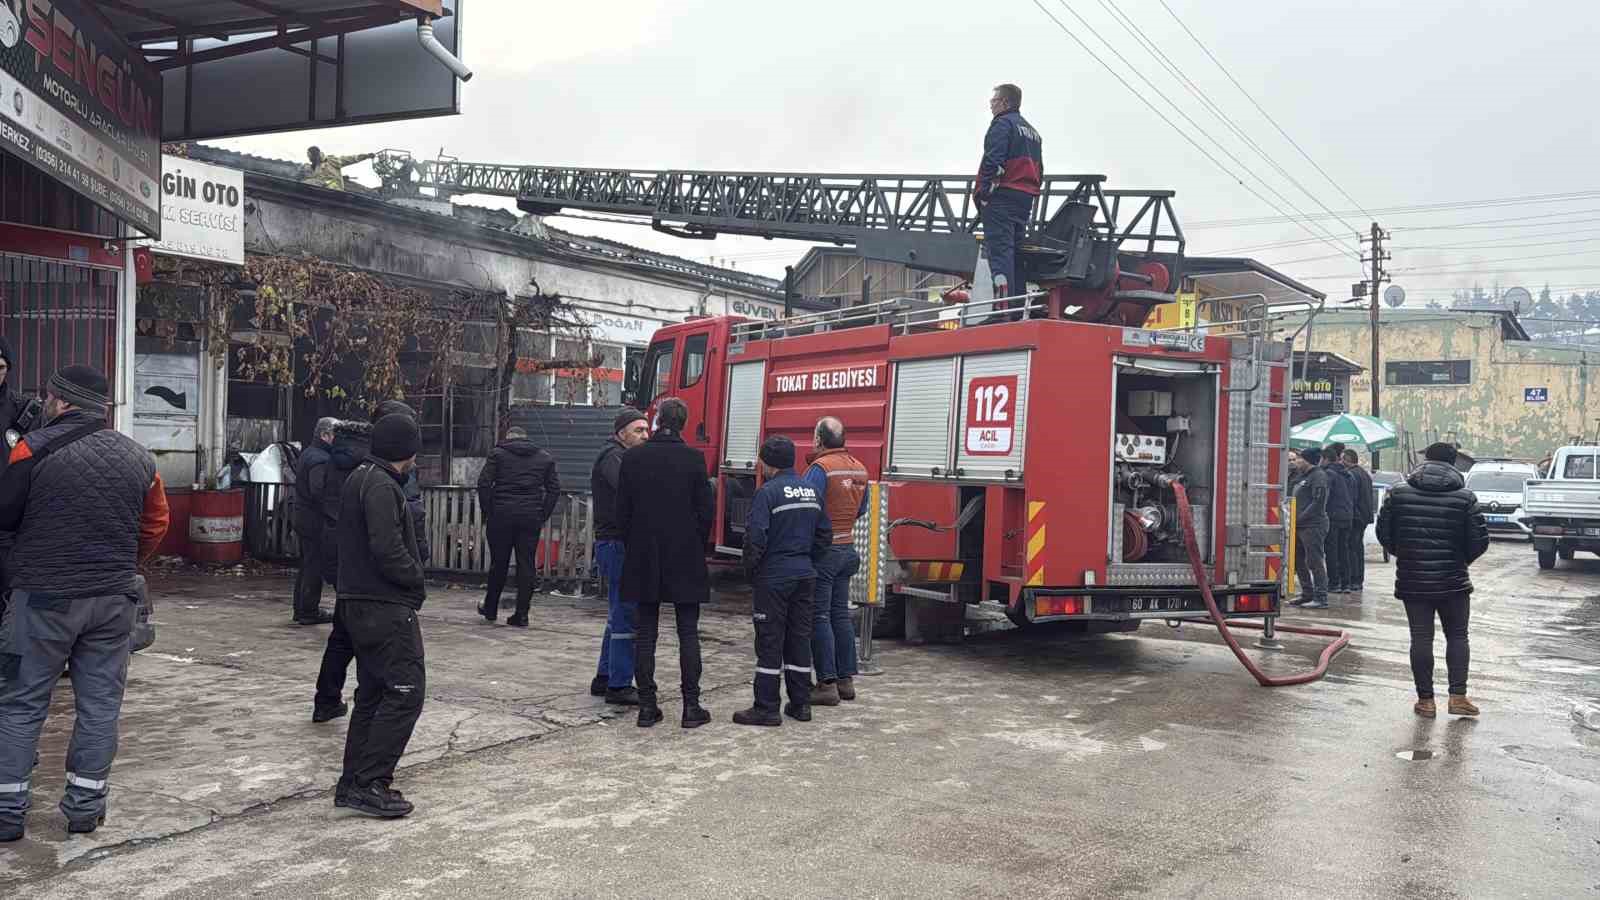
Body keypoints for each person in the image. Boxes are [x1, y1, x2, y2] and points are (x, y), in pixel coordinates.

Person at [0, 366, 169, 842]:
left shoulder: (30, 449)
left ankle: (7, 812)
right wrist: (120, 564)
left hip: (43, 601)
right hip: (113, 603)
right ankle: (83, 809)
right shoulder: (140, 458)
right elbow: (156, 525)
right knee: (99, 707)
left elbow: (5, 516)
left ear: (60, 401)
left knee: (21, 703)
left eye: (49, 397)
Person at [334, 413, 428, 818]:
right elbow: (387, 548)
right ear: (408, 450)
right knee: (405, 692)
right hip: (384, 604)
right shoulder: (381, 486)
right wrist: (415, 578)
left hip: (360, 602)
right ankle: (372, 782)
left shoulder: (359, 477)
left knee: (373, 694)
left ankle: (353, 782)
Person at [313, 402, 429, 723]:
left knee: (345, 632)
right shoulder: (385, 469)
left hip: (343, 552)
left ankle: (328, 698)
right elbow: (406, 516)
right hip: (376, 570)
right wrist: (414, 570)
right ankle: (355, 702)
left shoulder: (349, 458)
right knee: (372, 645)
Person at [616, 398, 713, 729]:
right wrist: (694, 544)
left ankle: (647, 706)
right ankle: (691, 707)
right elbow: (705, 512)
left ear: (656, 421)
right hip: (684, 553)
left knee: (646, 632)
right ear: (683, 423)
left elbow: (622, 513)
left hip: (644, 553)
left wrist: (636, 543)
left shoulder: (633, 459)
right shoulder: (694, 459)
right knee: (688, 632)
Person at [1376, 442, 1489, 719]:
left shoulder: (1398, 493)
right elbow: (1479, 541)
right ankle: (1458, 697)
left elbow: (1383, 532)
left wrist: (1404, 554)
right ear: (1453, 464)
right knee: (1458, 636)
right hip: (1454, 581)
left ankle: (1426, 701)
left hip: (1413, 580)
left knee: (1421, 637)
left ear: (1426, 460)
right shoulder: (1465, 497)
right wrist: (1460, 561)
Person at [734, 436, 833, 727]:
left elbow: (755, 538)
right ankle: (801, 704)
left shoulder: (767, 493)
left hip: (774, 577)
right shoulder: (812, 491)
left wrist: (751, 572)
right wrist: (807, 561)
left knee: (769, 641)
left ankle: (766, 708)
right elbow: (824, 535)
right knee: (799, 639)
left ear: (767, 463)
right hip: (804, 575)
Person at [803, 417, 869, 707]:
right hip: (847, 548)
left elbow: (807, 507)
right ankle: (846, 681)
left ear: (819, 439)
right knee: (840, 615)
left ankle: (826, 683)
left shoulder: (820, 469)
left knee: (819, 616)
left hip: (825, 552)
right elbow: (862, 509)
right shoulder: (859, 467)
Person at [589, 409, 651, 705]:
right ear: (621, 433)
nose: (645, 435)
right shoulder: (613, 458)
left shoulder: (621, 456)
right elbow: (631, 490)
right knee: (625, 613)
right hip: (616, 544)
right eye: (638, 430)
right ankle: (619, 684)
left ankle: (605, 677)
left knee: (618, 613)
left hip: (618, 543)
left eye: (647, 429)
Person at [476, 426, 560, 626]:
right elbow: (554, 489)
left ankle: (490, 609)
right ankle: (521, 614)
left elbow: (484, 484)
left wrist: (489, 511)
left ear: (508, 438)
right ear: (526, 438)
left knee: (499, 563)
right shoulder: (544, 458)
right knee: (526, 563)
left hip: (501, 515)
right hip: (530, 516)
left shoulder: (497, 454)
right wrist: (542, 514)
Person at [976, 83, 1043, 312]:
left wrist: (984, 194)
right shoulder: (1033, 133)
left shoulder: (1002, 124)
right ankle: (1016, 308)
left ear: (1005, 103)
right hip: (1024, 200)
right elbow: (1039, 170)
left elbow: (993, 163)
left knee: (1000, 254)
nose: (991, 104)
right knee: (1016, 253)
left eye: (994, 101)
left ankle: (1001, 310)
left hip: (1002, 199)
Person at [291, 417, 338, 625]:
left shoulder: (309, 454)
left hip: (303, 516)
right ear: (325, 435)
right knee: (314, 565)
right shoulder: (320, 459)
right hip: (313, 520)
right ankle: (308, 611)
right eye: (335, 435)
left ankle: (301, 608)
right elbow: (319, 491)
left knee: (307, 564)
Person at [1287, 447, 1330, 609]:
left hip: (1313, 526)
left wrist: (1300, 518)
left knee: (1314, 561)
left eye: (1299, 459)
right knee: (1298, 560)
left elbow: (1318, 502)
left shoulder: (1319, 476)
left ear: (1307, 461)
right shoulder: (1301, 476)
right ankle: (1307, 594)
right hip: (1299, 525)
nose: (1297, 462)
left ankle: (1321, 597)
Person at [1322, 442, 1356, 594]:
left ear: (1326, 459)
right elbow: (1354, 496)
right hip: (1347, 516)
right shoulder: (1349, 474)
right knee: (1344, 550)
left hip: (1333, 517)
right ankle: (1346, 584)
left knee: (1332, 550)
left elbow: (1324, 496)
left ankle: (1334, 583)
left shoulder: (1329, 474)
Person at [1343, 448, 1375, 592]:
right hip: (1363, 516)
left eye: (1343, 459)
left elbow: (1352, 498)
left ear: (1347, 460)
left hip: (1355, 517)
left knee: (1352, 548)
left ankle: (1354, 580)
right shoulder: (1364, 474)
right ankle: (1358, 580)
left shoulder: (1352, 475)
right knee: (1357, 548)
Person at [305, 146, 375, 191]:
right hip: (321, 188)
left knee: (319, 183)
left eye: (310, 156)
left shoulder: (331, 160)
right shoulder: (315, 167)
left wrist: (366, 156)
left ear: (315, 155)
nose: (309, 159)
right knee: (308, 182)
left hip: (334, 188)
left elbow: (350, 159)